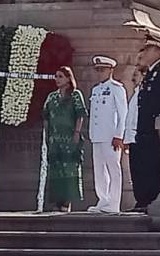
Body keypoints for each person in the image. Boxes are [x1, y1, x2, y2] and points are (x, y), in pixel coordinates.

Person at [128, 35, 160, 213]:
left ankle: (153, 201)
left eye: (147, 49)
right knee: (141, 166)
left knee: (154, 167)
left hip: (155, 131)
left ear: (157, 51)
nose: (143, 53)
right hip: (143, 130)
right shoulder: (149, 74)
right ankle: (143, 201)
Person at [43, 66, 87, 212]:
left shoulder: (75, 95)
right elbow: (46, 116)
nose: (57, 79)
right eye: (56, 76)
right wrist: (48, 135)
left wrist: (77, 132)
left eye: (61, 76)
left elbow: (80, 115)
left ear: (68, 78)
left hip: (69, 138)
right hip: (55, 139)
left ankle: (66, 202)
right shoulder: (51, 97)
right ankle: (57, 201)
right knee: (56, 170)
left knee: (69, 169)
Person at [87, 55, 127, 214]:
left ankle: (114, 203)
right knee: (99, 171)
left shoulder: (117, 88)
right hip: (97, 135)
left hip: (111, 136)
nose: (99, 73)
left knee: (113, 170)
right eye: (97, 70)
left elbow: (123, 113)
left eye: (102, 69)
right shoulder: (96, 89)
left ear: (111, 70)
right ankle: (103, 200)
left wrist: (119, 135)